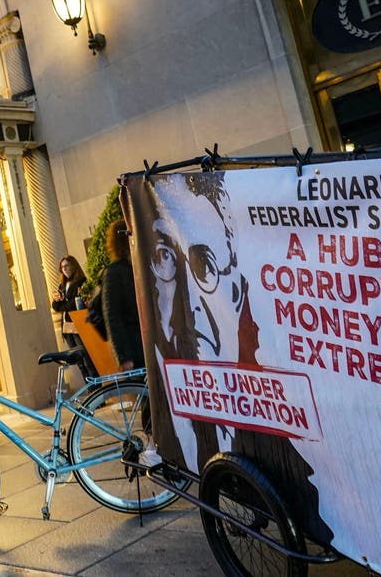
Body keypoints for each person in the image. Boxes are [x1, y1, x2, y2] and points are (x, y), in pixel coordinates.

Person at [139, 171, 333, 544]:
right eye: (165, 257)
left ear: (238, 290)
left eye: (205, 266)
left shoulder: (292, 444)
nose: (190, 307)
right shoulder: (170, 416)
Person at [102, 220, 144, 371]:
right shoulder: (114, 272)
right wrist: (123, 356)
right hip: (134, 348)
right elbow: (112, 317)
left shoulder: (140, 266)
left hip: (149, 343)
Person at [51, 255, 88, 349]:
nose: (65, 269)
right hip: (66, 327)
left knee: (84, 354)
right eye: (62, 267)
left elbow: (74, 305)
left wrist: (61, 305)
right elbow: (55, 307)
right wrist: (56, 301)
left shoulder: (81, 282)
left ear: (73, 265)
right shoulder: (62, 285)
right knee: (74, 357)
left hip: (77, 325)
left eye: (67, 265)